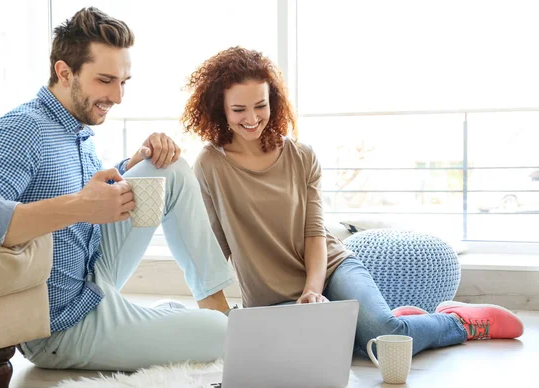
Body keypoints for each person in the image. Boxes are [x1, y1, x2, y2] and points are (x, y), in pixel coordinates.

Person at [0, 7, 237, 371]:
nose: (118, 95)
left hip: (95, 274)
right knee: (222, 336)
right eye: (106, 80)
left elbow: (86, 195)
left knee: (167, 168)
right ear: (64, 72)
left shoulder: (75, 129)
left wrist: (134, 164)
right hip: (61, 325)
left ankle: (215, 305)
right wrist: (81, 205)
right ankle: (194, 323)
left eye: (124, 81)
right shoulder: (21, 130)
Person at [182, 46, 524, 357]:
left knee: (385, 338)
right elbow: (215, 247)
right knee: (339, 351)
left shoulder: (301, 156)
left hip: (329, 269)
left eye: (261, 105)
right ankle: (390, 321)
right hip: (271, 298)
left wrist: (313, 292)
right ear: (220, 110)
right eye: (239, 109)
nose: (252, 118)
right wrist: (217, 318)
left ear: (273, 101)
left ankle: (459, 322)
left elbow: (314, 234)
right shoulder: (210, 165)